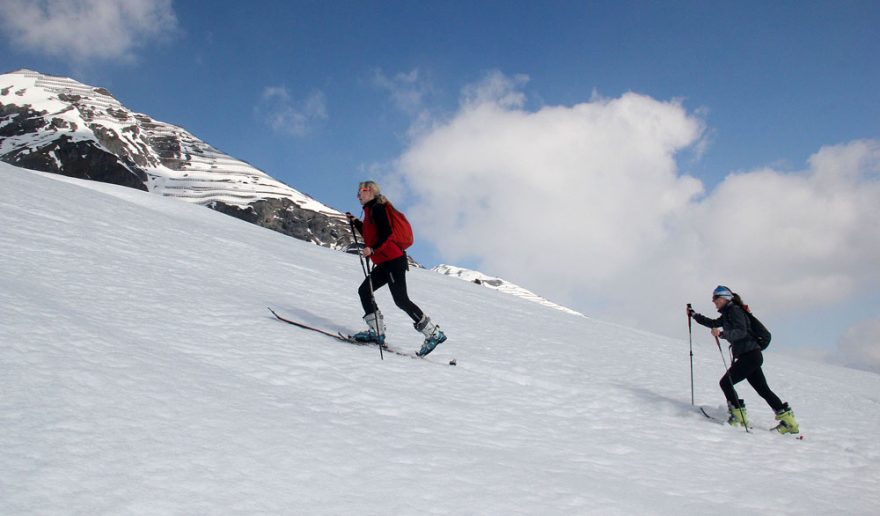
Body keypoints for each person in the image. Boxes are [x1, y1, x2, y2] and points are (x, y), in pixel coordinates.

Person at [346, 181, 446, 357]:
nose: (358, 195)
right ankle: (377, 333)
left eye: (361, 191)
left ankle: (433, 334)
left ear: (370, 191)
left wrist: (374, 249)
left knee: (400, 299)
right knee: (364, 290)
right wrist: (356, 222)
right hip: (385, 261)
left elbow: (386, 233)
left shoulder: (377, 208)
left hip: (393, 260)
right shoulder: (370, 211)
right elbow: (372, 235)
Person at [688, 286, 799, 434]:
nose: (713, 301)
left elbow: (741, 331)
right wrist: (694, 315)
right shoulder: (728, 312)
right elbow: (713, 323)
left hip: (750, 355)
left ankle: (738, 417)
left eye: (715, 298)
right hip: (750, 355)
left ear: (724, 298)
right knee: (763, 389)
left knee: (726, 382)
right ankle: (789, 422)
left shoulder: (734, 311)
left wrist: (722, 334)